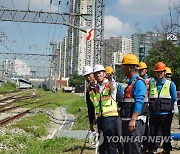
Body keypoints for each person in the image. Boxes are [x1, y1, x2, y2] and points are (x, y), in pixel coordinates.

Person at [120, 54, 147, 154]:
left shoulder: (139, 82)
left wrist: (133, 120)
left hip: (135, 123)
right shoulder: (131, 83)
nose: (123, 69)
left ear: (130, 67)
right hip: (127, 122)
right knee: (127, 149)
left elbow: (139, 102)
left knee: (134, 149)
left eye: (124, 67)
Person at [148, 62, 177, 154]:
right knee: (153, 133)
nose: (159, 73)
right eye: (157, 72)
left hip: (166, 114)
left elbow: (174, 98)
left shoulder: (170, 84)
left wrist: (168, 107)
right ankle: (152, 149)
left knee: (166, 133)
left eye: (161, 72)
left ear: (164, 72)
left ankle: (167, 149)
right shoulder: (152, 83)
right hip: (153, 113)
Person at [91, 64, 119, 154]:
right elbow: (97, 103)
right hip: (101, 118)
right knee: (102, 143)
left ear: (104, 73)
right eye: (96, 74)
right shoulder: (96, 88)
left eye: (100, 73)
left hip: (110, 118)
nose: (98, 75)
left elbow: (113, 86)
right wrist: (96, 116)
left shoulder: (109, 84)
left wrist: (111, 79)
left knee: (110, 143)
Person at [105, 66, 124, 154]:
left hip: (117, 113)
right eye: (107, 75)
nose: (108, 76)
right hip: (106, 115)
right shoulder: (101, 86)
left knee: (119, 135)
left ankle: (121, 150)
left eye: (110, 74)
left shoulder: (117, 85)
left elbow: (120, 98)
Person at [138, 62, 154, 153]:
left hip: (148, 105)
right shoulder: (136, 80)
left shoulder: (150, 80)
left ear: (146, 70)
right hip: (140, 105)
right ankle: (142, 143)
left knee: (148, 126)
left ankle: (146, 144)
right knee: (141, 124)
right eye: (139, 70)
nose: (141, 71)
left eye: (142, 69)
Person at [82, 66, 96, 132]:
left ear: (93, 74)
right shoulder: (89, 90)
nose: (88, 78)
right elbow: (90, 107)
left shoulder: (102, 84)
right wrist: (91, 122)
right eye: (85, 76)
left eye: (89, 75)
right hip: (99, 118)